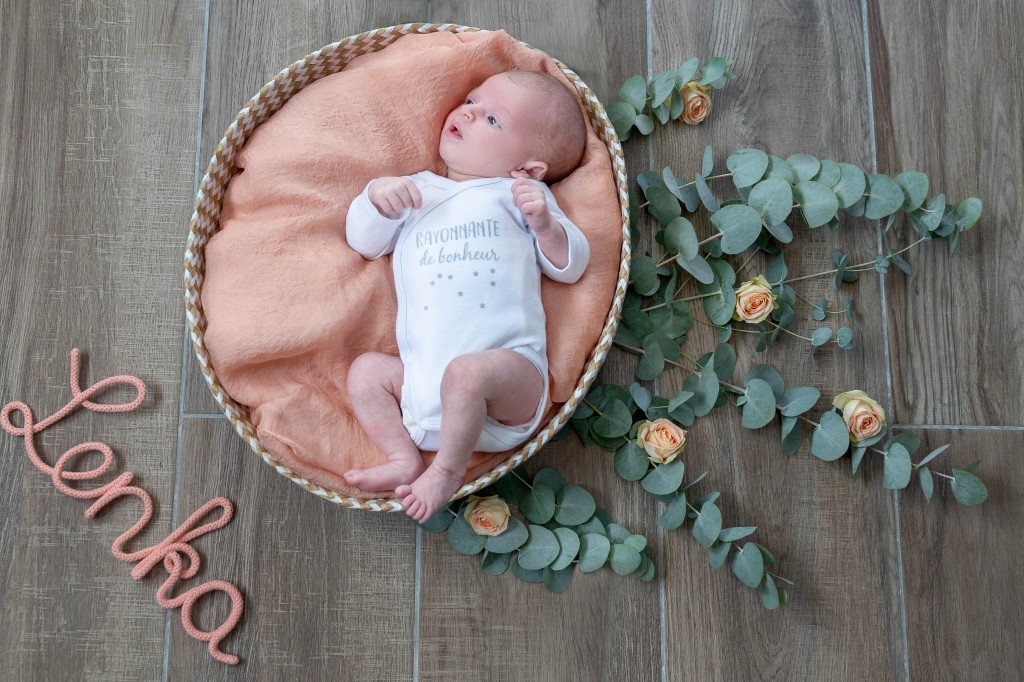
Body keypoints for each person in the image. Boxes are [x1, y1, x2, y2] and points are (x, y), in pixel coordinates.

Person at [343, 70, 590, 522]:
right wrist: (377, 199)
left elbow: (571, 267)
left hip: (509, 380)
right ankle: (402, 457)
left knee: (465, 374)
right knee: (365, 373)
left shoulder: (520, 195)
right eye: (474, 101)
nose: (469, 112)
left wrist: (547, 227)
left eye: (493, 121)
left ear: (528, 168)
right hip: (422, 391)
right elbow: (365, 243)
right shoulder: (418, 190)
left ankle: (447, 472)